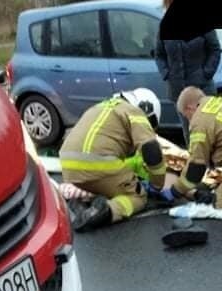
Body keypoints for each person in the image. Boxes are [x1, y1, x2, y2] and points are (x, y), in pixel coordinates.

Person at [58, 88, 172, 232]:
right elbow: (151, 149)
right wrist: (157, 184)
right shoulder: (135, 112)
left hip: (68, 166)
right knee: (137, 197)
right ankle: (106, 211)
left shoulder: (101, 107)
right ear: (147, 109)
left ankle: (81, 203)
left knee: (109, 187)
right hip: (99, 164)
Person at [154, 0, 222, 146]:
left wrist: (206, 73)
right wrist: (167, 73)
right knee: (189, 131)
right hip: (178, 89)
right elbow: (159, 54)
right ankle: (197, 163)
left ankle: (216, 165)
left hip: (202, 88)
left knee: (209, 128)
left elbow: (215, 49)